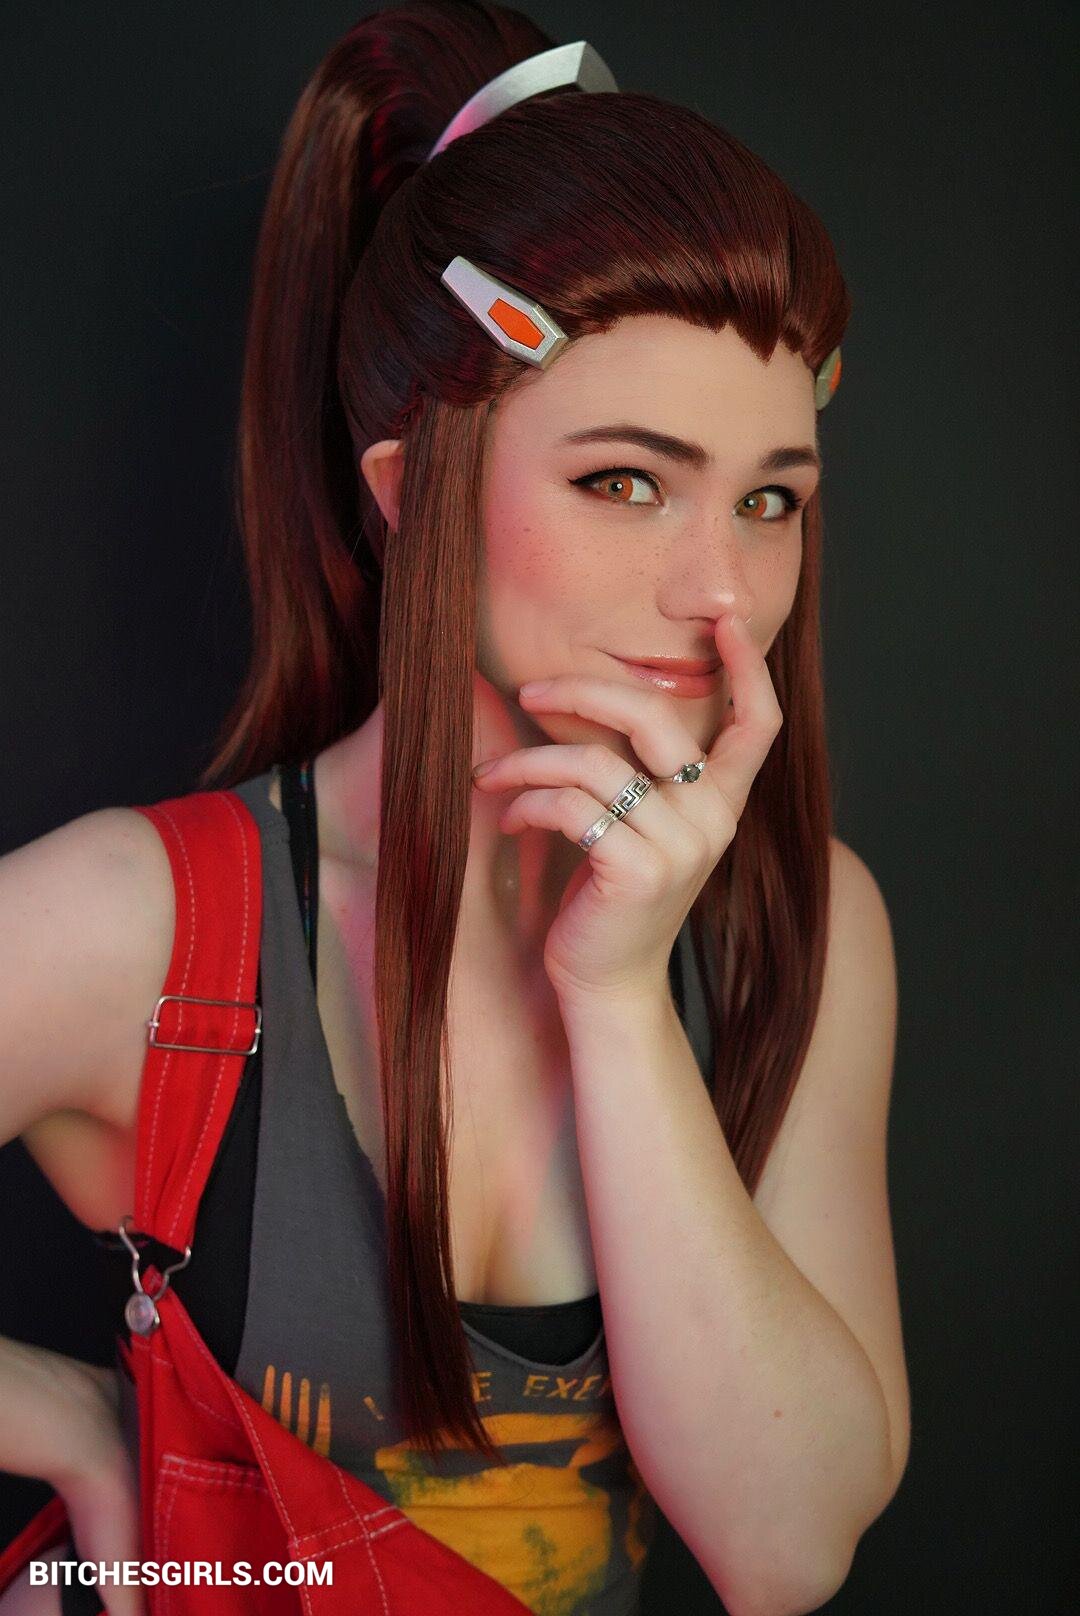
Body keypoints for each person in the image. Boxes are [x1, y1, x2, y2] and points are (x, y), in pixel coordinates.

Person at [0, 3, 910, 1612]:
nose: (722, 591)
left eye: (772, 498)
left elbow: (786, 1549)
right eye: (626, 481)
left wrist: (617, 997)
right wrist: (68, 1415)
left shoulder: (801, 927)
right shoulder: (142, 929)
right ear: (411, 487)